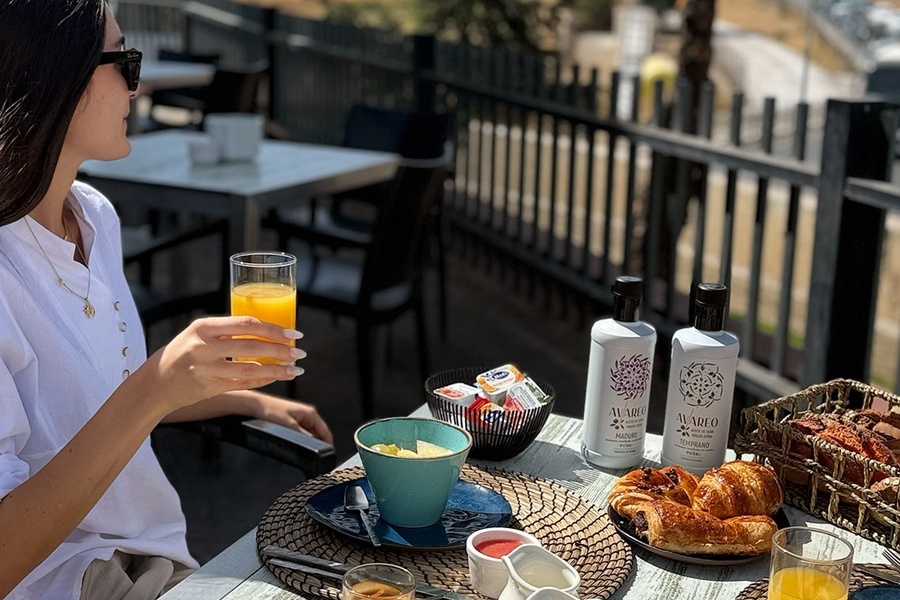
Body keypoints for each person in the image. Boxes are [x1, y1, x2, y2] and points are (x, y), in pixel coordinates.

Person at [0, 1, 333, 598]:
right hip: (72, 578)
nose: (139, 85)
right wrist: (156, 383)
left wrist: (246, 402)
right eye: (124, 62)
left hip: (154, 555)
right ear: (50, 76)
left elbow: (107, 393)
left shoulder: (93, 215)